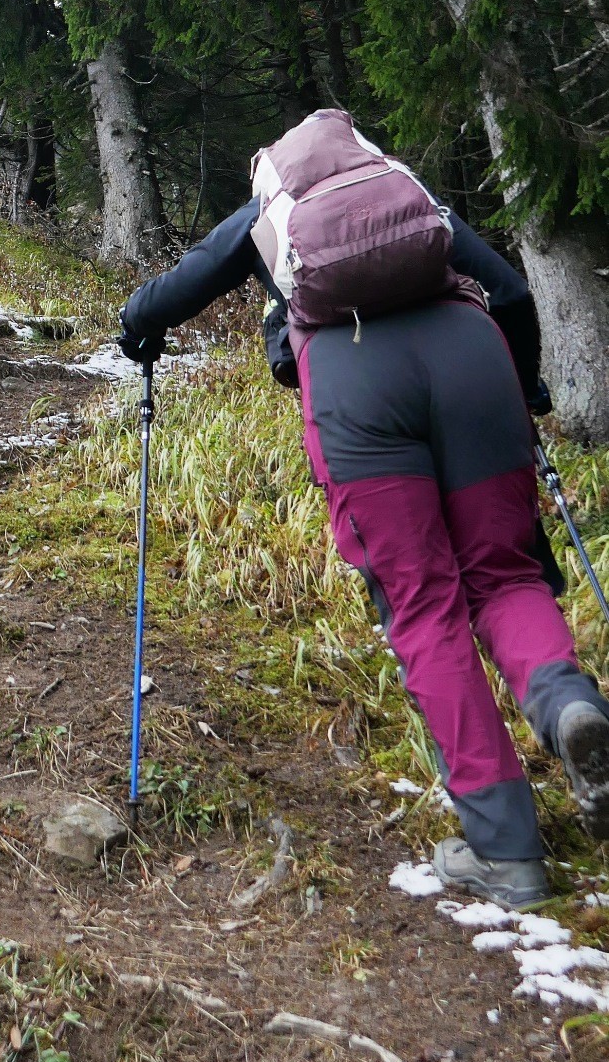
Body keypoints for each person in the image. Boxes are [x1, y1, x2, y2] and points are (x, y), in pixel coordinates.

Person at [118, 113, 609, 910]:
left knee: (425, 606)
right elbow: (512, 290)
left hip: (356, 383)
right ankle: (569, 705)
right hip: (474, 358)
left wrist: (137, 325)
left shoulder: (273, 210)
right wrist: (526, 389)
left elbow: (184, 282)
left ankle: (507, 848)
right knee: (508, 574)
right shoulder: (409, 200)